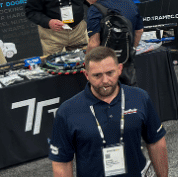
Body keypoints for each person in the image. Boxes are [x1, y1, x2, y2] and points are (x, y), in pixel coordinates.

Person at [48, 46, 168, 177]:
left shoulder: (140, 98)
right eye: (97, 75)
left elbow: (157, 143)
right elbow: (62, 163)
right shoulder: (67, 112)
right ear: (86, 75)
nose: (105, 81)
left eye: (110, 73)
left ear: (119, 69)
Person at [82, 0, 143, 85]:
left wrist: (87, 64)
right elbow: (139, 31)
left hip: (105, 67)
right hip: (127, 63)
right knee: (130, 93)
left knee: (108, 95)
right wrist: (130, 49)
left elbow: (94, 43)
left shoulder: (94, 9)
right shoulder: (128, 2)